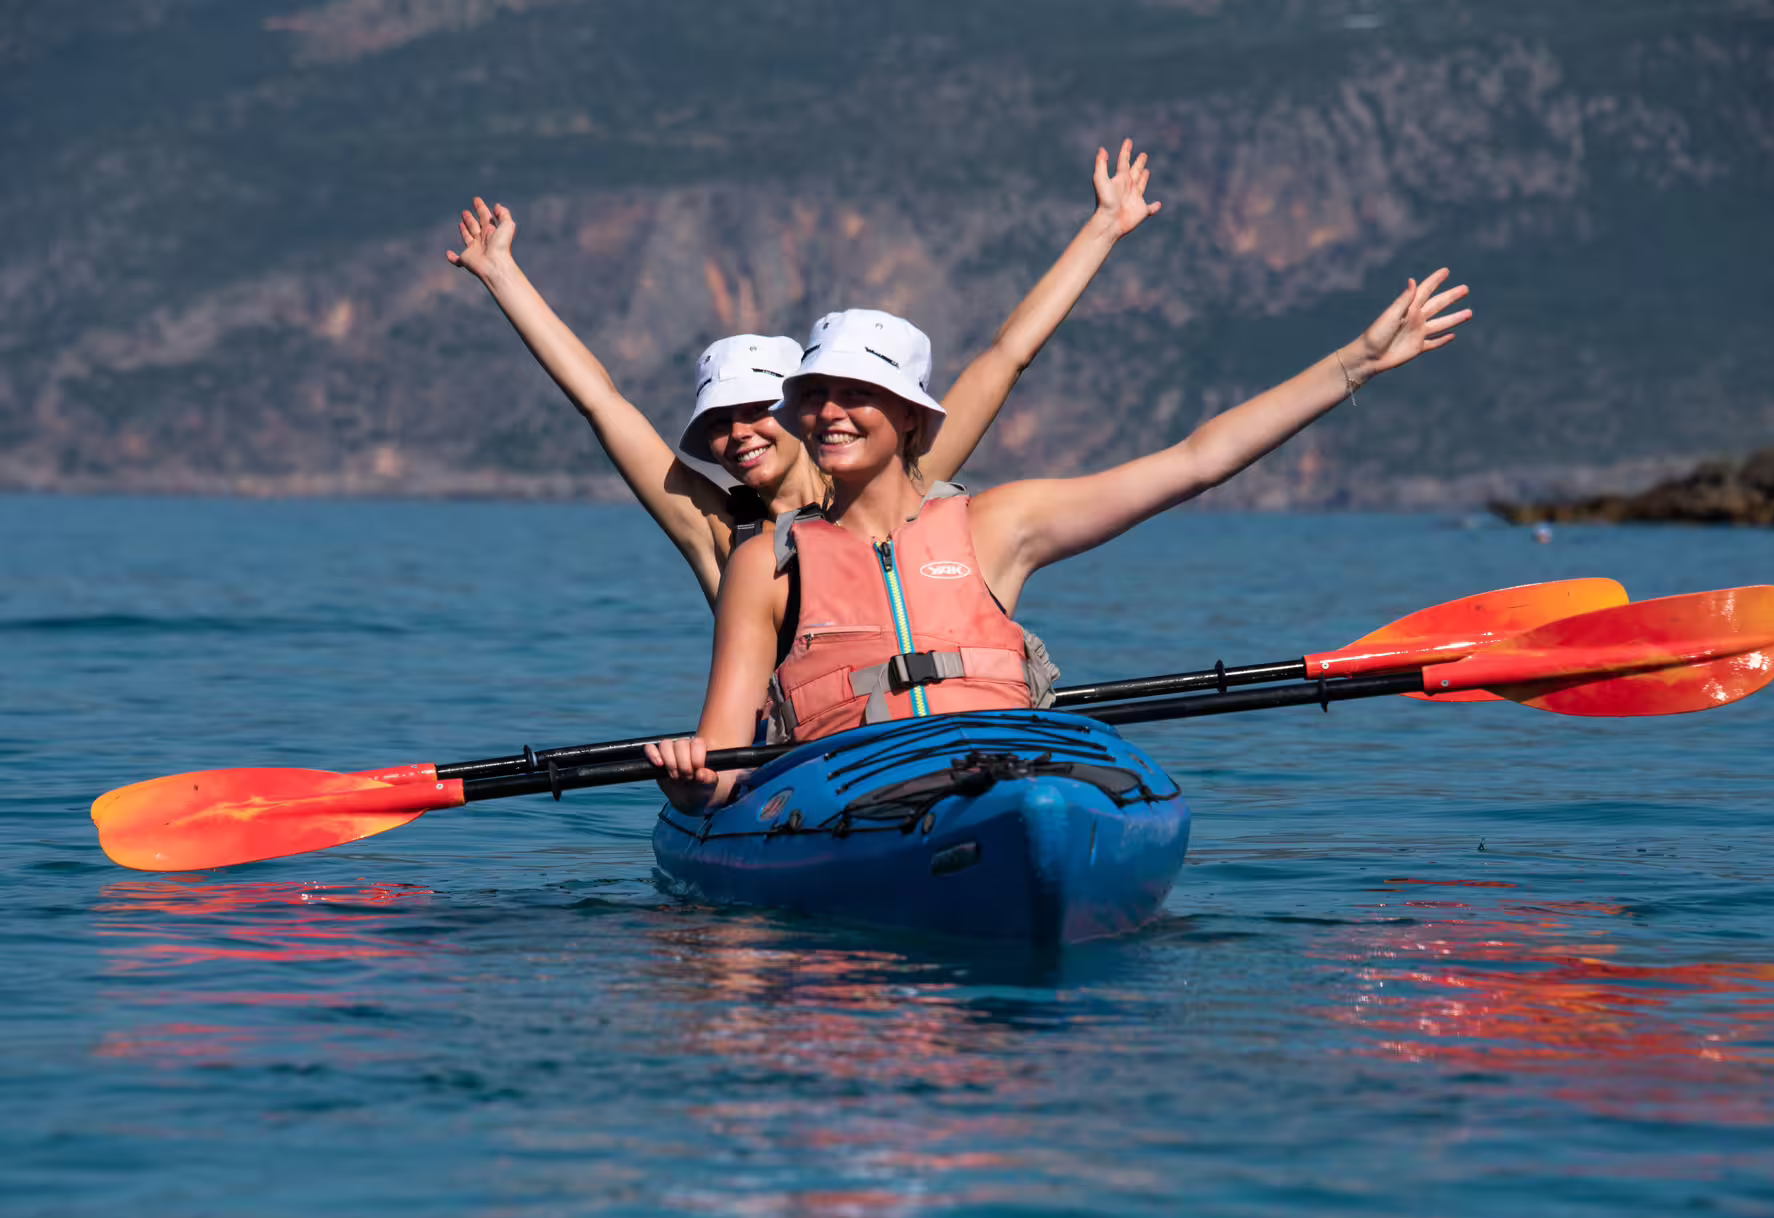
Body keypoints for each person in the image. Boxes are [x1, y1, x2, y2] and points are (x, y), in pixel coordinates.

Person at [645, 268, 1474, 809]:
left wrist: (1353, 366)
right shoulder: (770, 563)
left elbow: (1196, 461)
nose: (829, 412)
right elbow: (722, 771)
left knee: (1032, 809)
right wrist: (690, 787)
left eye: (855, 393)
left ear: (907, 414)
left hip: (1006, 780)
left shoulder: (997, 525)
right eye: (814, 395)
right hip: (854, 801)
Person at [445, 142, 1163, 606]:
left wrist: (1102, 229)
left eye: (754, 411)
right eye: (716, 424)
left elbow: (1007, 356)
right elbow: (601, 403)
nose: (736, 435)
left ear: (799, 411)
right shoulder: (719, 532)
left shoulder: (903, 478)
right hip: (798, 776)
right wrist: (502, 275)